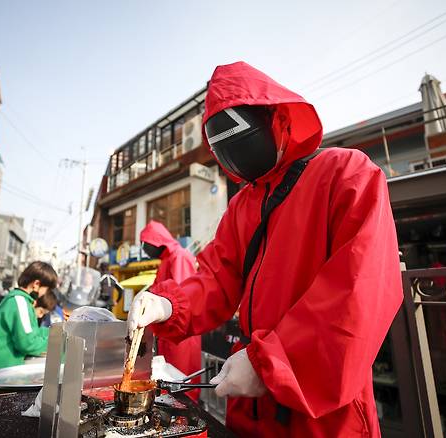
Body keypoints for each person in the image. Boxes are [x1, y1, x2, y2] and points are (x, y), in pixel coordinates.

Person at [128, 61, 403, 437]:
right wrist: (168, 303)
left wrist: (269, 362)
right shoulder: (243, 205)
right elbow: (214, 277)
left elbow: (359, 291)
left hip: (322, 411)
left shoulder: (347, 174)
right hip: (252, 408)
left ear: (278, 119)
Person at [0, 261, 58, 401]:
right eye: (46, 288)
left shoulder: (21, 301)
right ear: (36, 284)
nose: (46, 293)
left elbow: (33, 332)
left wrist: (53, 332)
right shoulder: (19, 302)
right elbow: (27, 342)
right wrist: (56, 342)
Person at [139, 220, 202, 401]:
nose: (144, 249)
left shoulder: (179, 256)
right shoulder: (166, 260)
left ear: (156, 241)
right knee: (170, 381)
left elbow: (183, 296)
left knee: (182, 381)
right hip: (169, 331)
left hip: (181, 333)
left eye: (145, 243)